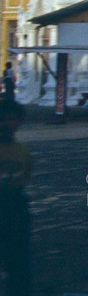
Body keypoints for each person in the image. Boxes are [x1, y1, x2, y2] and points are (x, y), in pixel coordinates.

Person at [0, 99, 32, 295]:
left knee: (18, 258)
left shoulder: (23, 151)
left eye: (12, 119)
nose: (7, 124)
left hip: (14, 206)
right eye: (3, 119)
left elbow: (24, 177)